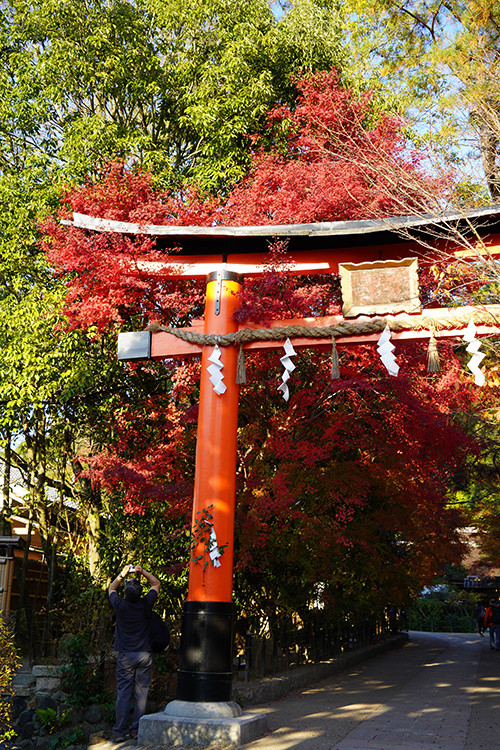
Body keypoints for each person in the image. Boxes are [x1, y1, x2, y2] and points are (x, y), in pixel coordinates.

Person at [108, 564, 161, 741]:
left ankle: (119, 732)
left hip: (125, 654)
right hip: (144, 654)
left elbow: (111, 588)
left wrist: (122, 574)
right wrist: (143, 571)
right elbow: (156, 584)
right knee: (141, 693)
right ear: (140, 593)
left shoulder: (120, 604)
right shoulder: (146, 603)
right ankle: (136, 730)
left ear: (126, 593)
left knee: (123, 692)